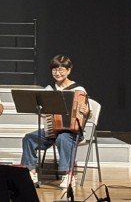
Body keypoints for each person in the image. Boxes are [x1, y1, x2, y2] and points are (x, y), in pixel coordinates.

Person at [21, 55, 90, 187]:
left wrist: (86, 111)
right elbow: (43, 112)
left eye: (61, 70)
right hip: (52, 130)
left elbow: (87, 115)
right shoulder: (49, 90)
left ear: (68, 70)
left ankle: (68, 175)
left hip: (73, 132)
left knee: (63, 138)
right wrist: (42, 113)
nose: (57, 73)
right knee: (29, 138)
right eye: (54, 70)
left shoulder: (78, 90)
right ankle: (31, 172)